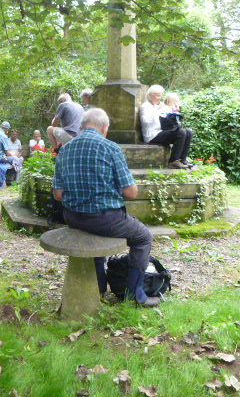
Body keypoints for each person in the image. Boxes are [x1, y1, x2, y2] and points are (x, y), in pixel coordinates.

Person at [53, 108, 160, 307]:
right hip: (105, 219)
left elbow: (58, 195)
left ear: (81, 127)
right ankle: (135, 295)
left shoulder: (65, 149)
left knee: (93, 235)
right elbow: (131, 193)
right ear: (104, 128)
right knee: (143, 237)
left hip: (73, 217)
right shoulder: (110, 148)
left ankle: (100, 287)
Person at [139, 85, 194, 169]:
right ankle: (173, 161)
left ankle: (182, 159)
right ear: (150, 95)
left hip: (159, 132)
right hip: (151, 136)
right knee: (181, 133)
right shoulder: (145, 106)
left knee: (188, 132)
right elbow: (145, 121)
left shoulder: (154, 106)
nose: (159, 98)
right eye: (158, 95)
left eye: (160, 95)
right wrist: (156, 113)